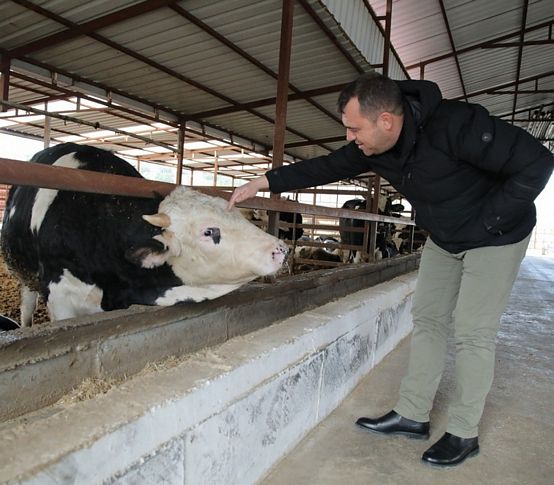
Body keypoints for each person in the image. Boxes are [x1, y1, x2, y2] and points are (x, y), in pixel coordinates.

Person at [227, 72, 554, 467]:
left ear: (386, 120)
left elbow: (537, 163)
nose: (350, 138)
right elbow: (327, 167)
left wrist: (489, 221)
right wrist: (263, 181)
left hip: (497, 234)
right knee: (429, 318)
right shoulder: (375, 148)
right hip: (446, 238)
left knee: (472, 331)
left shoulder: (457, 125)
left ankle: (464, 432)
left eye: (353, 128)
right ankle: (412, 415)